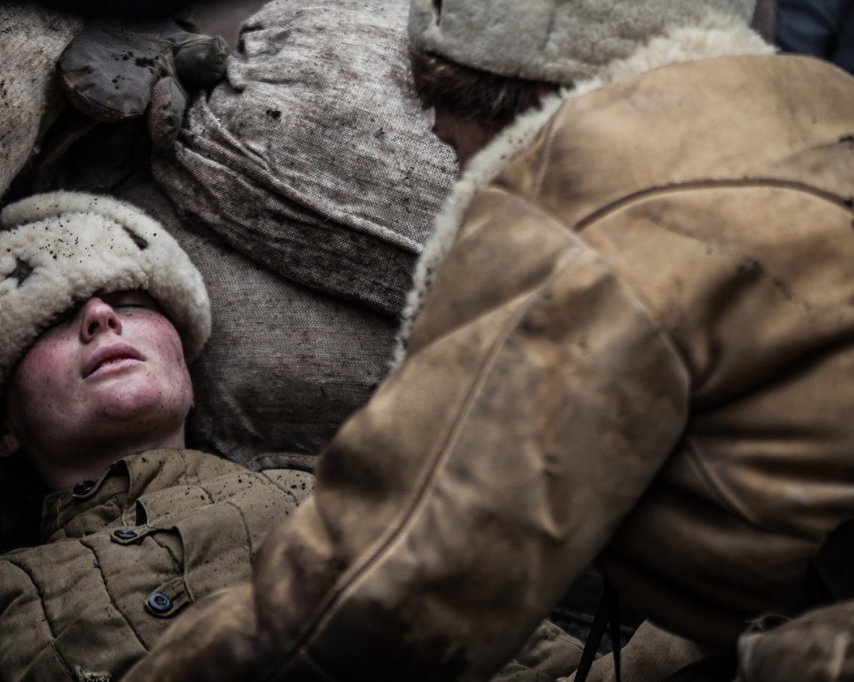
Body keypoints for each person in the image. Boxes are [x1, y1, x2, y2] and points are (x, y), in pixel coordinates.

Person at [120, 0, 854, 680]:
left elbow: (398, 582)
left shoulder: (575, 207)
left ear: (518, 100)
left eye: (454, 148)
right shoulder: (820, 110)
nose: (460, 179)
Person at [0, 191, 314, 681]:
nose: (100, 315)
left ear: (187, 372)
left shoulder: (320, 492)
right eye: (52, 320)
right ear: (4, 429)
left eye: (131, 303)